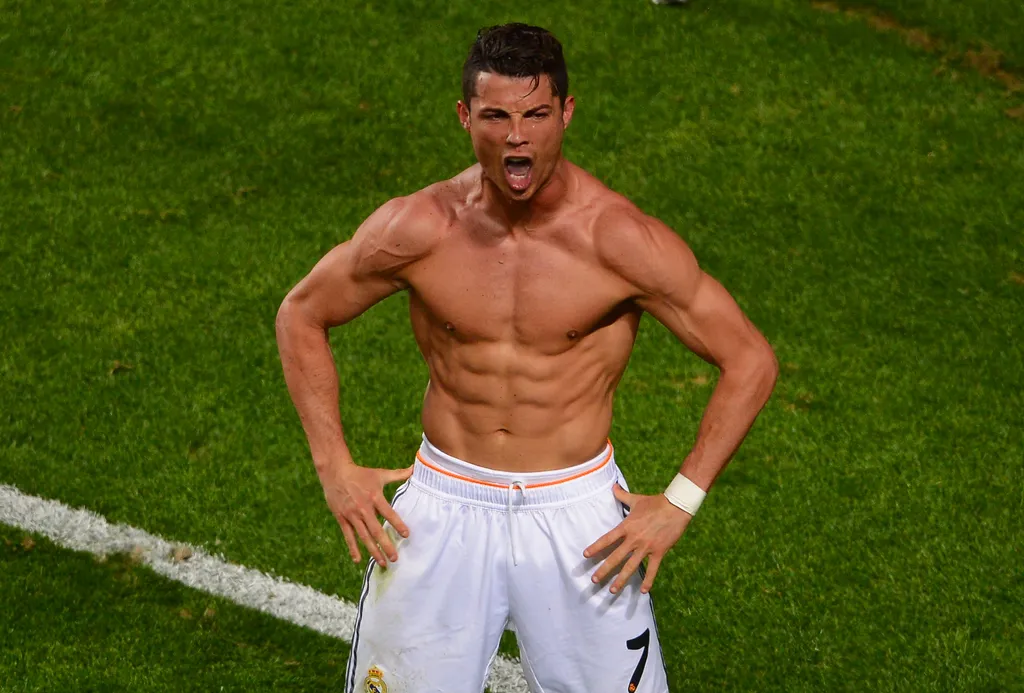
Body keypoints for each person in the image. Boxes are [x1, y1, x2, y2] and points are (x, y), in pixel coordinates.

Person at [275, 22, 777, 693]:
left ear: (566, 112)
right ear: (464, 117)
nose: (518, 136)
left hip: (580, 521)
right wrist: (332, 465)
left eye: (537, 114)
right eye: (497, 116)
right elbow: (302, 312)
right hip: (442, 507)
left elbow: (749, 358)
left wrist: (679, 501)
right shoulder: (421, 228)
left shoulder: (618, 240)